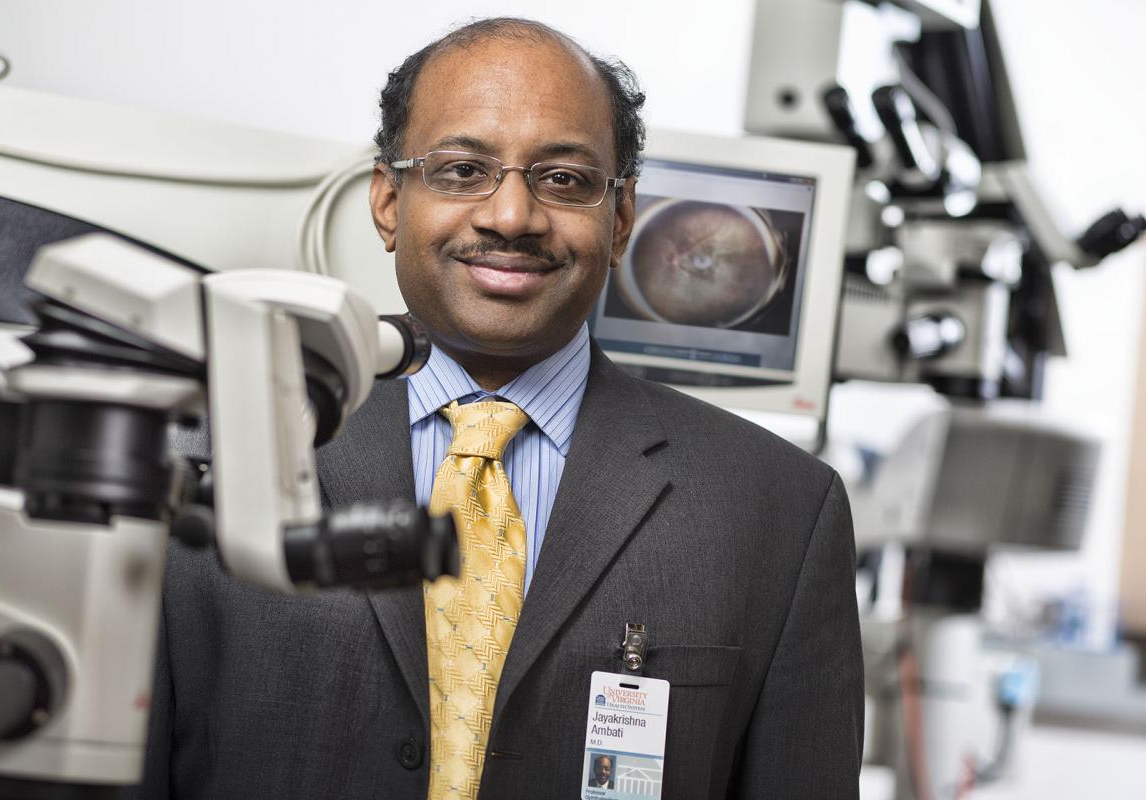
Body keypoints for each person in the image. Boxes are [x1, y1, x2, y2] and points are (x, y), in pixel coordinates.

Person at [139, 16, 863, 800]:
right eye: (460, 171)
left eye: (564, 179)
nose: (511, 217)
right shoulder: (194, 450)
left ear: (620, 220)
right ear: (388, 201)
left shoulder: (781, 511)